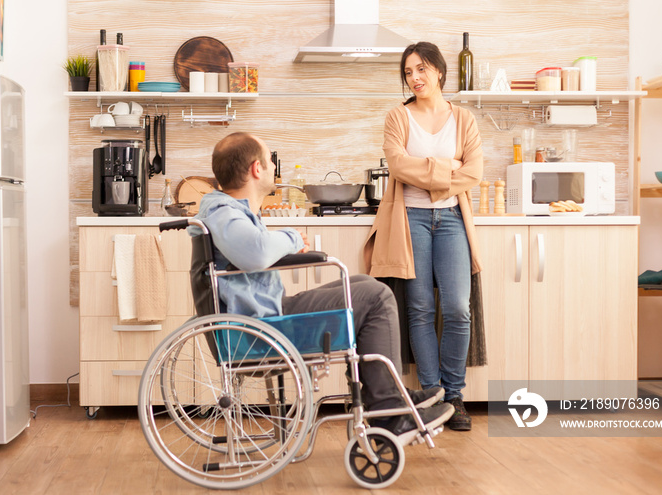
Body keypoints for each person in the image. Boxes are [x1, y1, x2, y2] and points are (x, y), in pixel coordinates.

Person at [190, 131, 454, 445]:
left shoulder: (227, 212)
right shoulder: (224, 213)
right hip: (261, 331)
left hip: (264, 319)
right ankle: (389, 410)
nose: (274, 167)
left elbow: (250, 253)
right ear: (256, 169)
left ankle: (388, 398)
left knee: (363, 285)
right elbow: (256, 252)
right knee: (376, 296)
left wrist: (283, 245)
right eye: (270, 161)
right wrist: (290, 236)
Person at [363, 42, 484, 431]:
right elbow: (397, 165)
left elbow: (475, 173)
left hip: (451, 219)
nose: (414, 78)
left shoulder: (463, 119)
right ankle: (431, 395)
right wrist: (447, 168)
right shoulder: (398, 117)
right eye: (408, 72)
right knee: (419, 309)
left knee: (457, 308)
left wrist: (427, 173)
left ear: (439, 72)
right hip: (409, 219)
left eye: (421, 69)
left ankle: (455, 395)